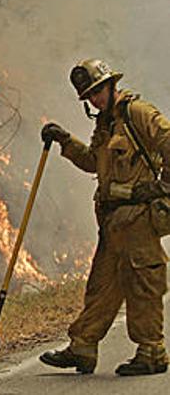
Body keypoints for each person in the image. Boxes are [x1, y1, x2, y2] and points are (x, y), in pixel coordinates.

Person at [39, 58, 170, 376]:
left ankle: (152, 352)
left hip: (139, 220)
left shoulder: (138, 113)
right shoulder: (105, 124)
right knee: (101, 287)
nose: (95, 99)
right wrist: (65, 140)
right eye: (89, 96)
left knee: (143, 285)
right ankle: (83, 347)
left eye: (98, 91)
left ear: (111, 85)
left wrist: (162, 187)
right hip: (112, 225)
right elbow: (91, 162)